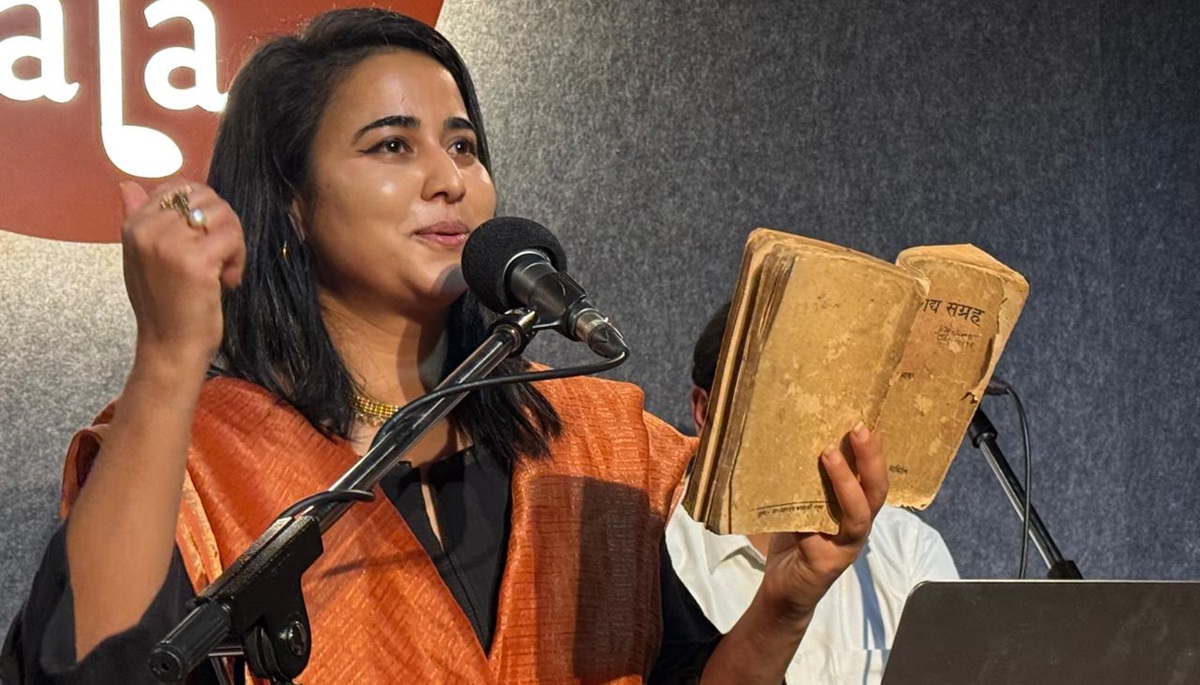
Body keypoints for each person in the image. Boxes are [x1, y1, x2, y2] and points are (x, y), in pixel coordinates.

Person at [1, 9, 888, 684]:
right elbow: (88, 668)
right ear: (293, 205)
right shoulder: (204, 453)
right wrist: (168, 355)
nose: (448, 177)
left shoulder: (583, 442)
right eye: (393, 144)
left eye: (463, 145)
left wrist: (784, 602)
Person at [666, 302, 960, 684]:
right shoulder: (655, 552)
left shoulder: (907, 548)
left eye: (828, 394)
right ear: (705, 412)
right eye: (776, 390)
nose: (804, 418)